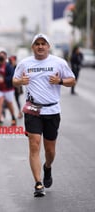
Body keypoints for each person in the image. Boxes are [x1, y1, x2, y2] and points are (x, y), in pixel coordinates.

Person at [13, 33, 75, 197]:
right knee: (34, 144)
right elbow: (14, 80)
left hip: (52, 111)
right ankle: (38, 183)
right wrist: (21, 82)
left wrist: (60, 81)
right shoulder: (24, 63)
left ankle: (47, 167)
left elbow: (72, 80)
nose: (40, 46)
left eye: (43, 43)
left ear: (48, 46)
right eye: (37, 44)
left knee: (50, 150)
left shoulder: (59, 63)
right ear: (32, 47)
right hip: (33, 110)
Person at [0, 51, 17, 127]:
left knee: (9, 104)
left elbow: (12, 76)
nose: (1, 57)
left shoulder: (9, 66)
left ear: (5, 57)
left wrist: (4, 80)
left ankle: (13, 118)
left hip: (8, 89)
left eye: (2, 56)